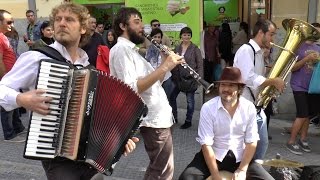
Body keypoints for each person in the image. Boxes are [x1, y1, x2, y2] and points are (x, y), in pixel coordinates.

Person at [0, 3, 137, 179]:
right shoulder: (37, 58)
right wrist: (21, 99)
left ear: (83, 29)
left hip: (90, 159)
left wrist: (119, 140)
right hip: (57, 157)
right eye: (58, 19)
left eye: (69, 20)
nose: (61, 23)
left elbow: (100, 115)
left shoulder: (87, 66)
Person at [109, 7, 184, 180]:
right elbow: (132, 89)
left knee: (160, 169)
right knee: (162, 171)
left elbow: (154, 82)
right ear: (122, 25)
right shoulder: (121, 50)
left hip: (160, 117)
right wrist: (166, 66)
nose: (142, 26)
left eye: (141, 22)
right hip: (153, 120)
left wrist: (166, 61)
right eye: (136, 22)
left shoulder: (132, 51)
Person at [179, 67, 274, 180]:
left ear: (239, 89)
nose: (226, 89)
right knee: (186, 178)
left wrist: (242, 169)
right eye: (223, 85)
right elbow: (206, 144)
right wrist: (215, 175)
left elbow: (251, 141)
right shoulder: (208, 108)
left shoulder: (249, 108)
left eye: (231, 85)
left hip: (239, 157)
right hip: (213, 155)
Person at [233, 19, 285, 161]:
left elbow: (258, 76)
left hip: (256, 106)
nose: (273, 39)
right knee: (250, 146)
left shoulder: (259, 53)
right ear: (261, 33)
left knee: (261, 144)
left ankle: (252, 170)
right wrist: (273, 81)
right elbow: (247, 78)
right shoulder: (246, 50)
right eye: (271, 34)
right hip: (244, 105)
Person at [286, 22, 320, 155]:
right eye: (315, 31)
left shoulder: (318, 47)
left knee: (308, 115)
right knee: (302, 114)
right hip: (298, 85)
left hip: (312, 87)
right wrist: (307, 58)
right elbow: (292, 68)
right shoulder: (299, 46)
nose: (317, 34)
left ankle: (303, 139)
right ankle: (291, 141)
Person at [0, 9, 26, 143]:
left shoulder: (3, 35)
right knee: (6, 106)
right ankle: (9, 134)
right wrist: (5, 79)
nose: (11, 24)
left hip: (11, 76)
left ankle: (18, 127)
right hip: (6, 78)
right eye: (9, 21)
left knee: (15, 102)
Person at [170, 27, 203, 128]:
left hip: (190, 79)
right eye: (184, 35)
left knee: (190, 102)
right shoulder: (177, 48)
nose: (186, 37)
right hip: (177, 78)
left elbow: (200, 64)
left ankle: (188, 121)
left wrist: (199, 79)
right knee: (172, 97)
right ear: (181, 36)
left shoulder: (195, 49)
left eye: (188, 35)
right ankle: (174, 117)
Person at [145, 28, 172, 99]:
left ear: (161, 39)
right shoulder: (149, 49)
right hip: (154, 78)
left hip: (166, 78)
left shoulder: (165, 48)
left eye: (159, 37)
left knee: (166, 100)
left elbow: (169, 63)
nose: (157, 39)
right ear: (151, 38)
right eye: (155, 37)